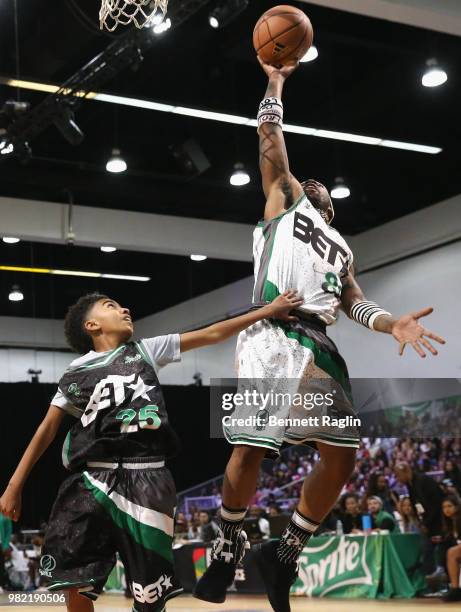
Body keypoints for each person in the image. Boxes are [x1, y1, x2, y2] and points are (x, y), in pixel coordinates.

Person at [194, 56, 445, 612]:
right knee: (250, 448)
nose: (310, 183)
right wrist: (276, 82)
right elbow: (271, 140)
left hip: (320, 343)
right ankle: (229, 543)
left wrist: (391, 322)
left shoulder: (344, 249)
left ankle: (284, 554)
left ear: (332, 206)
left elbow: (354, 304)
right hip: (271, 329)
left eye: (320, 187)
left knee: (342, 455)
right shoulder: (285, 201)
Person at [0, 290, 302, 612]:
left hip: (147, 478)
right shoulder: (76, 372)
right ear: (91, 325)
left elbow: (213, 333)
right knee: (78, 585)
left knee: (150, 599)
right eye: (111, 306)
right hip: (90, 481)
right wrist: (15, 484)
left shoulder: (145, 350)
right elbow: (46, 429)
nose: (125, 307)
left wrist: (267, 310)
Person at [437, 496, 461, 602]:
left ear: (457, 507)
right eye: (444, 507)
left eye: (449, 506)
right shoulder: (449, 523)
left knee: (452, 553)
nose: (446, 509)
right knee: (446, 550)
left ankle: (455, 589)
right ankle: (453, 587)